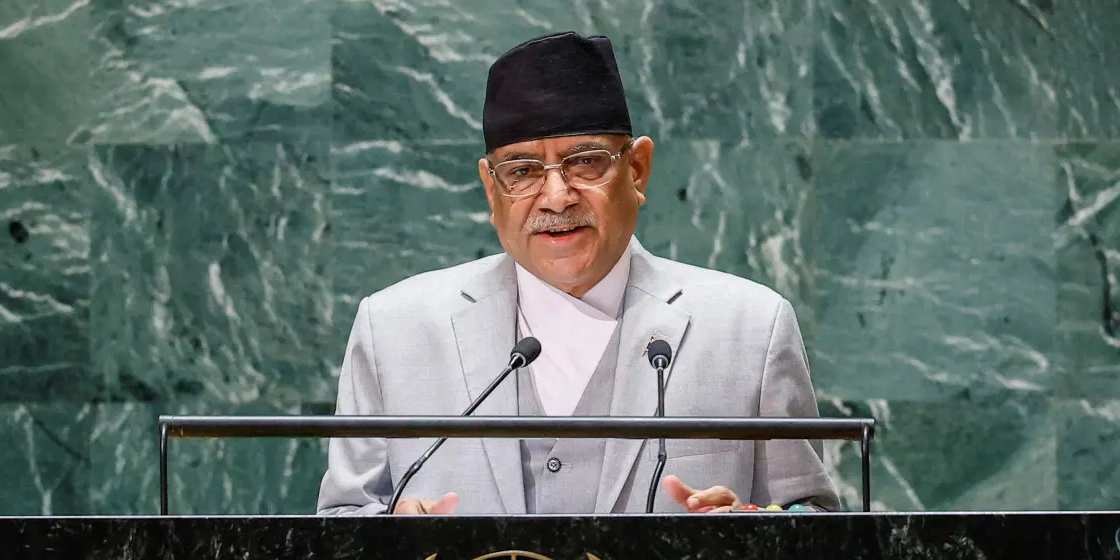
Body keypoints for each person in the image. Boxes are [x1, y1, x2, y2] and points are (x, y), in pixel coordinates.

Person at [316, 31, 838, 516]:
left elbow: (816, 533)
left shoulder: (749, 329)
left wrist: (753, 532)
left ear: (636, 170)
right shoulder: (393, 330)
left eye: (584, 163)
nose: (556, 197)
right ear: (490, 188)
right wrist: (384, 534)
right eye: (521, 172)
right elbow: (337, 528)